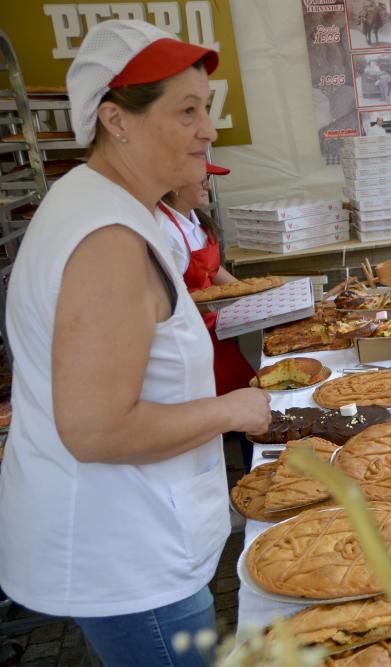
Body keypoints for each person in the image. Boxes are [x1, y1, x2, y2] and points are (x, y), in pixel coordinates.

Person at [0, 20, 271, 666]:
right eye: (187, 111)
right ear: (116, 120)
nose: (208, 128)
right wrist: (236, 409)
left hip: (132, 540)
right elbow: (95, 428)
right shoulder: (106, 239)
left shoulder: (109, 209)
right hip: (129, 555)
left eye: (206, 107)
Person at [156, 163, 256, 396]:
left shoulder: (193, 219)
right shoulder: (164, 231)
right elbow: (168, 303)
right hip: (189, 338)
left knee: (243, 389)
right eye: (203, 180)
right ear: (176, 185)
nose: (208, 187)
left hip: (213, 329)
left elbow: (211, 269)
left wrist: (249, 292)